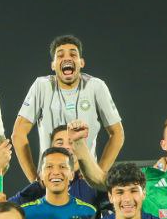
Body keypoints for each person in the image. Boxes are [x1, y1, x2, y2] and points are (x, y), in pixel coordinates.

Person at [11, 35, 125, 182]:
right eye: (60, 55)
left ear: (81, 62)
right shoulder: (41, 86)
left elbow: (117, 133)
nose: (67, 58)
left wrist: (99, 174)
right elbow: (18, 134)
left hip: (85, 180)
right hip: (51, 179)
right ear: (53, 65)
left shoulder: (96, 86)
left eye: (73, 54)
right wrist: (34, 179)